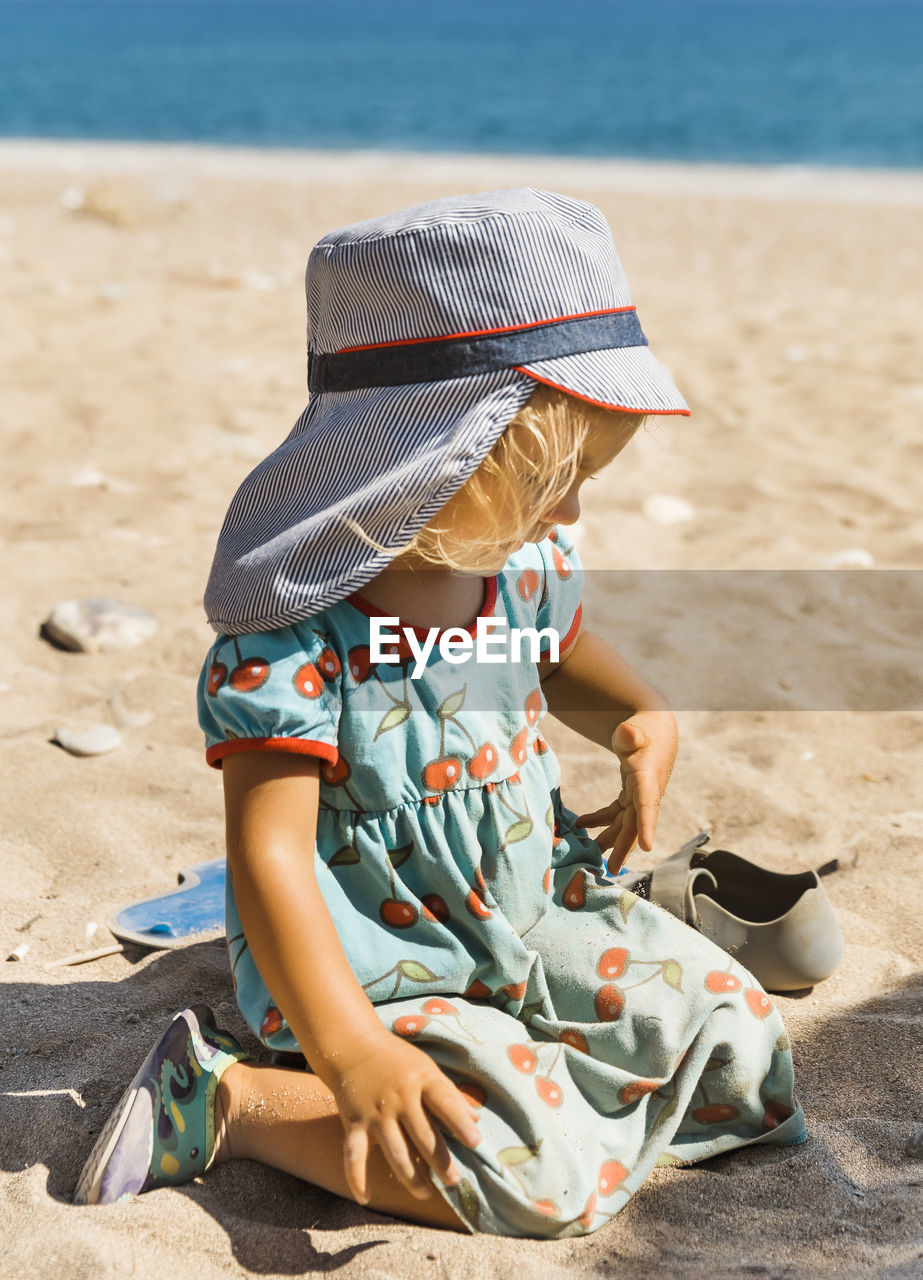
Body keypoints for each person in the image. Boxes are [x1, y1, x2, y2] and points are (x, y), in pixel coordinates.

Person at [73, 188, 806, 1237]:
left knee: (741, 1048)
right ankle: (231, 1099)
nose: (570, 513)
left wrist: (637, 713)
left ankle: (543, 1063)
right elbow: (270, 858)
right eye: (551, 479)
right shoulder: (294, 645)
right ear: (427, 456)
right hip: (369, 961)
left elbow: (551, 654)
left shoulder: (517, 563)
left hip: (526, 905)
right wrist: (351, 1051)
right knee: (527, 1174)